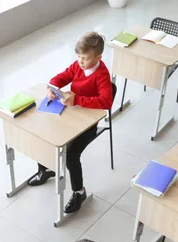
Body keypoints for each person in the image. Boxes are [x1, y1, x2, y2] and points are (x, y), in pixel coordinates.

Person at [27, 31, 114, 214]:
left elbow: (106, 102)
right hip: (71, 114)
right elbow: (62, 77)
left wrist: (79, 100)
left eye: (85, 58)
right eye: (79, 57)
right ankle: (45, 169)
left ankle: (79, 192)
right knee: (43, 134)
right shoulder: (78, 65)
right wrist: (52, 87)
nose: (81, 62)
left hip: (88, 124)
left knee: (71, 155)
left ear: (98, 57)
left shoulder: (102, 75)